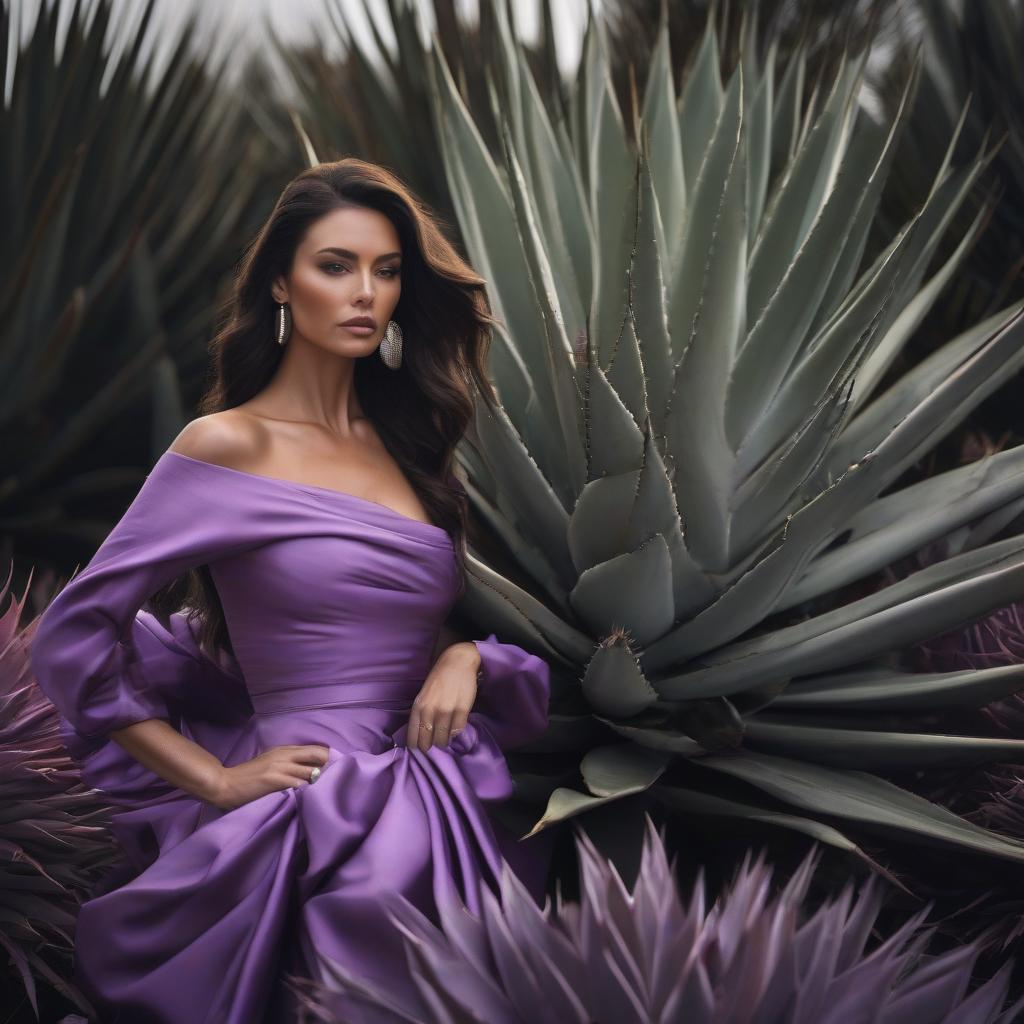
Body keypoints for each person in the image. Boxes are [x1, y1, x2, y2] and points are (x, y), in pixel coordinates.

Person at [29, 157, 553, 1023]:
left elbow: (392, 626)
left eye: (386, 272)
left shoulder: (410, 449)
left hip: (436, 796)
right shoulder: (229, 445)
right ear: (281, 281)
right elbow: (74, 634)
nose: (365, 294)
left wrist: (462, 655)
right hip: (308, 813)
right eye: (335, 266)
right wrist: (214, 780)